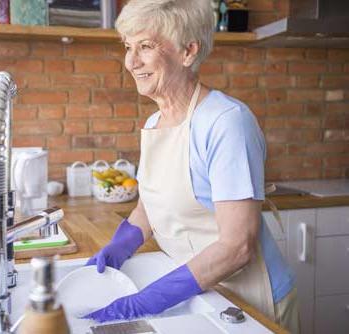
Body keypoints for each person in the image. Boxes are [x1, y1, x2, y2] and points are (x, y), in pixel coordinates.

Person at [83, 1, 299, 333]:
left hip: (249, 301)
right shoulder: (156, 120)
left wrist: (149, 299)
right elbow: (150, 205)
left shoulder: (226, 123)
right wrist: (120, 245)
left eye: (146, 46)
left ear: (188, 51)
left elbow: (237, 245)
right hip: (201, 289)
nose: (131, 61)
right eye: (128, 47)